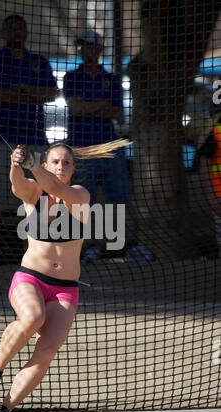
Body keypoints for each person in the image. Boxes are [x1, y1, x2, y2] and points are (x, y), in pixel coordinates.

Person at [0, 138, 128, 412]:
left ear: (73, 169)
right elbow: (17, 186)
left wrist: (32, 164)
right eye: (55, 162)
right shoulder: (34, 193)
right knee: (33, 317)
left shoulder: (79, 195)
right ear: (46, 165)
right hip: (30, 278)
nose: (61, 167)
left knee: (45, 352)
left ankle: (4, 410)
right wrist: (16, 165)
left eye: (66, 163)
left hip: (65, 287)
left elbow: (57, 189)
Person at [0, 14, 58, 264]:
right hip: (4, 140)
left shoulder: (39, 62)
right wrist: (30, 94)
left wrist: (23, 90)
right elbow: (0, 95)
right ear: (4, 33)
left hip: (35, 139)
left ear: (26, 32)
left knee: (42, 198)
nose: (16, 33)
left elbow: (50, 93)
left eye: (20, 29)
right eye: (11, 29)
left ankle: (43, 251)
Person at [62, 30, 131, 261]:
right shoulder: (72, 77)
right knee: (82, 200)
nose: (86, 51)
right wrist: (100, 105)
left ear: (100, 49)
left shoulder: (111, 79)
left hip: (110, 147)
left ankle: (117, 246)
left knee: (118, 198)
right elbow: (74, 108)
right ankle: (85, 247)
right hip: (81, 149)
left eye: (91, 46)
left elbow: (118, 113)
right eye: (82, 46)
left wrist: (88, 105)